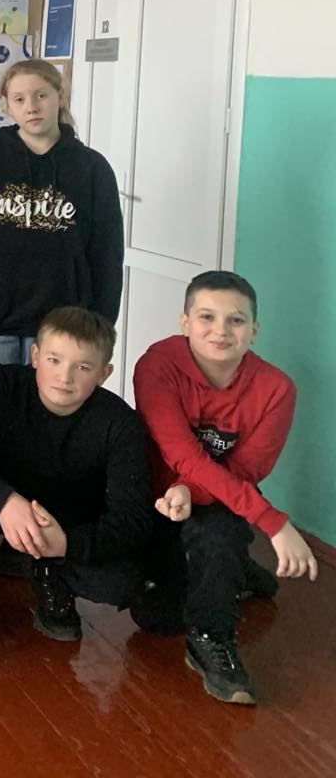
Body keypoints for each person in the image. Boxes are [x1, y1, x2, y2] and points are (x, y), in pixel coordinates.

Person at [0, 307, 152, 663]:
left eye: (83, 367)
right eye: (54, 360)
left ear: (104, 374)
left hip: (69, 522)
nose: (65, 377)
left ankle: (52, 572)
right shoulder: (3, 384)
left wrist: (67, 544)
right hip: (3, 502)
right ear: (35, 356)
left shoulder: (121, 424)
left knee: (123, 580)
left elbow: (133, 517)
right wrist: (1, 500)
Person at [133, 271, 315, 706]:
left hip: (218, 496)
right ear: (184, 322)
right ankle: (237, 572)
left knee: (218, 535)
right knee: (155, 616)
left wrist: (189, 491)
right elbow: (182, 455)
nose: (220, 330)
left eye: (236, 320)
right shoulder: (156, 366)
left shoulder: (276, 389)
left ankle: (210, 639)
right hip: (155, 495)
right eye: (206, 317)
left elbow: (245, 469)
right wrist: (274, 523)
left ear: (254, 329)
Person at [0, 58, 123, 389]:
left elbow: (107, 254)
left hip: (64, 329)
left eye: (41, 95)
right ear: (8, 106)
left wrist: (101, 325)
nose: (31, 107)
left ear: (60, 97)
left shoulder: (92, 169)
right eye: (19, 99)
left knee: (49, 416)